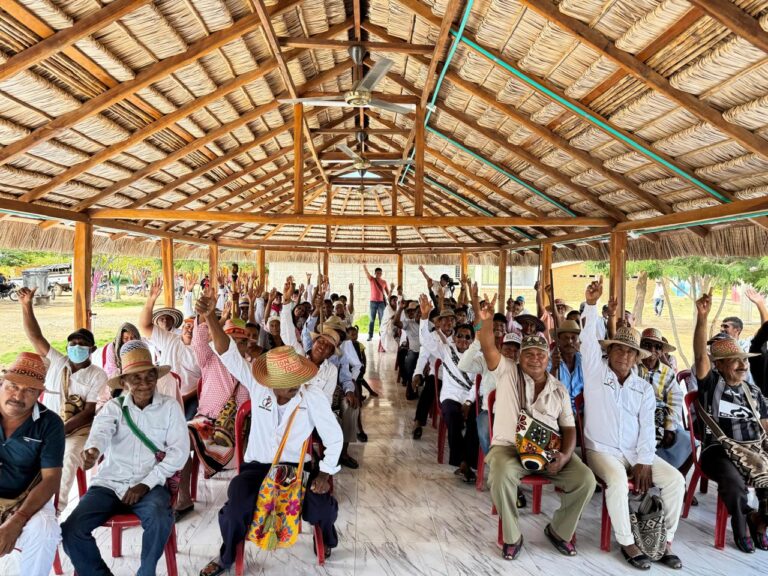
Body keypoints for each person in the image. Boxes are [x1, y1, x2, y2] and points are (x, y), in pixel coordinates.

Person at [195, 293, 342, 576]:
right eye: (282, 385)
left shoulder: (312, 398)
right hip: (257, 468)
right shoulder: (259, 385)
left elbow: (334, 437)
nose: (288, 390)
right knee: (236, 505)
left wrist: (324, 474)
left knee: (321, 507)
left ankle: (328, 535)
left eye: (293, 384)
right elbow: (227, 353)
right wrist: (210, 317)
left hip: (296, 470)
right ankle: (226, 556)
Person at [475, 296, 596, 561]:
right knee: (500, 472)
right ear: (519, 357)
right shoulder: (507, 371)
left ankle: (559, 530)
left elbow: (569, 428)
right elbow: (486, 346)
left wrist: (564, 456)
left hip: (547, 452)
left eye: (540, 354)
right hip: (509, 449)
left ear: (547, 359)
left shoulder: (559, 389)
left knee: (586, 480)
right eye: (528, 354)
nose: (535, 359)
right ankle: (512, 536)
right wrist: (484, 321)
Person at [581, 277, 685, 570]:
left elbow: (648, 429)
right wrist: (590, 306)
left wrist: (644, 460)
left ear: (637, 357)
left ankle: (663, 542)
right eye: (619, 349)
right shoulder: (594, 372)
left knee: (676, 480)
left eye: (630, 352)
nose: (624, 355)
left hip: (635, 452)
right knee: (616, 480)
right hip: (601, 450)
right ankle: (627, 542)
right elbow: (588, 342)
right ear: (610, 351)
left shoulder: (643, 388)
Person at [62, 340, 188, 576]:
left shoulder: (170, 408)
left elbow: (179, 453)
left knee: (161, 517)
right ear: (124, 382)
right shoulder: (113, 408)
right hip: (109, 484)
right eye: (136, 378)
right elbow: (100, 432)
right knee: (71, 530)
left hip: (150, 484)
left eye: (149, 377)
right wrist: (93, 451)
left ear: (156, 376)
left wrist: (145, 484)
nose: (144, 384)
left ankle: (146, 572)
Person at [18, 287, 107, 515]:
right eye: (72, 344)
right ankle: (18, 503)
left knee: (67, 458)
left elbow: (88, 412)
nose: (76, 348)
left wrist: (60, 430)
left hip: (77, 431)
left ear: (92, 350)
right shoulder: (59, 363)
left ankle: (55, 509)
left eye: (81, 345)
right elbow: (35, 337)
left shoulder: (97, 374)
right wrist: (26, 306)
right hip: (47, 424)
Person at [693, 289, 768, 553]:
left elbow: (766, 425)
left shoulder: (753, 391)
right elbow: (701, 357)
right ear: (721, 365)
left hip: (752, 448)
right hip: (719, 450)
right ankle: (741, 523)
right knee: (734, 482)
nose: (743, 366)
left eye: (744, 361)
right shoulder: (712, 383)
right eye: (735, 361)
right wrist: (702, 318)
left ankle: (760, 520)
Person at [0, 352, 64, 576]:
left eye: (29, 389)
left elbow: (51, 479)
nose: (18, 395)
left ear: (40, 394)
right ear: (2, 382)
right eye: (13, 386)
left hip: (27, 497)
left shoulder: (50, 423)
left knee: (45, 529)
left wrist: (18, 519)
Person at [418, 295, 479, 482]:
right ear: (454, 336)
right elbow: (426, 342)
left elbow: (479, 382)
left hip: (471, 396)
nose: (462, 339)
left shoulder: (478, 355)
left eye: (467, 337)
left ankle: (469, 462)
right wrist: (424, 317)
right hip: (450, 396)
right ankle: (461, 462)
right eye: (459, 335)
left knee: (475, 422)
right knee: (452, 416)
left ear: (472, 339)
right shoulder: (446, 350)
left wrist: (469, 401)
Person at [138, 278, 201, 420]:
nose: (189, 328)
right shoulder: (170, 339)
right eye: (187, 325)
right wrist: (151, 300)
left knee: (184, 426)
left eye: (194, 326)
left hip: (189, 398)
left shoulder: (203, 350)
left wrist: (183, 398)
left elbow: (205, 381)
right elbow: (144, 325)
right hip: (163, 394)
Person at [637, 328, 692, 476]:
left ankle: (680, 483)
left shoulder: (667, 373)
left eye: (658, 347)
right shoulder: (632, 367)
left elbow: (675, 400)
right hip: (637, 418)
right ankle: (645, 476)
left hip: (661, 417)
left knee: (691, 443)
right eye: (647, 345)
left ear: (662, 352)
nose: (652, 350)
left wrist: (669, 427)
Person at [548, 320, 584, 412]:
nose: (569, 342)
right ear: (558, 340)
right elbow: (547, 389)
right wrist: (554, 368)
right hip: (558, 410)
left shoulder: (584, 361)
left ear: (578, 341)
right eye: (565, 338)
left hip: (582, 412)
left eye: (573, 338)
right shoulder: (550, 360)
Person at [363, 264, 389, 341]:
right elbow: (367, 273)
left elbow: (388, 293)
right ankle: (370, 336)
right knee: (372, 320)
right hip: (373, 302)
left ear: (381, 273)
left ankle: (382, 335)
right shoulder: (372, 279)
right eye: (377, 273)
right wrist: (364, 266)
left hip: (381, 303)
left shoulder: (384, 282)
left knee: (382, 320)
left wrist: (391, 300)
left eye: (380, 273)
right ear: (375, 273)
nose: (379, 274)